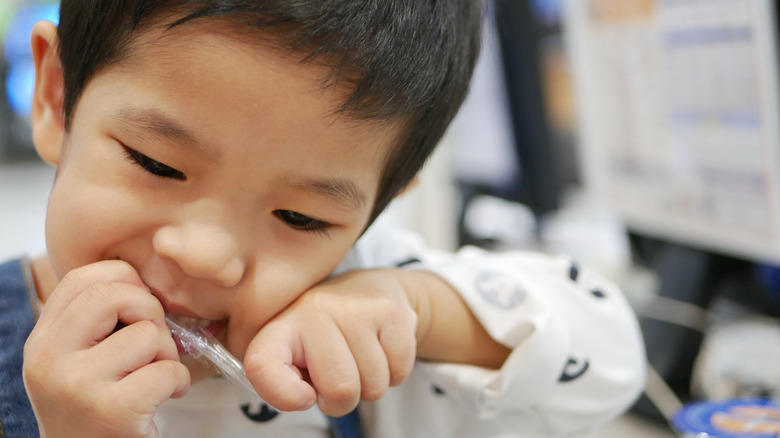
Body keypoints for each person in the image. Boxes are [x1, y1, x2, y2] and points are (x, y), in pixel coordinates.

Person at [0, 0, 646, 436]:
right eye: (156, 163)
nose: (204, 254)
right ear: (58, 98)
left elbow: (611, 363)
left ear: (378, 207)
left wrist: (419, 308)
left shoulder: (367, 296)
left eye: (300, 217)